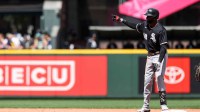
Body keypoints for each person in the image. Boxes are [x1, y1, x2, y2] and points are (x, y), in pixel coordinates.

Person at [112, 8, 169, 112]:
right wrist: (121, 20)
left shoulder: (161, 29)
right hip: (150, 56)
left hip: (160, 55)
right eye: (147, 15)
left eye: (149, 16)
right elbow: (134, 26)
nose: (147, 17)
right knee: (147, 81)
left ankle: (163, 104)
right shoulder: (145, 25)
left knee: (159, 78)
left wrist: (159, 61)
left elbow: (164, 48)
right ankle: (146, 106)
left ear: (155, 17)